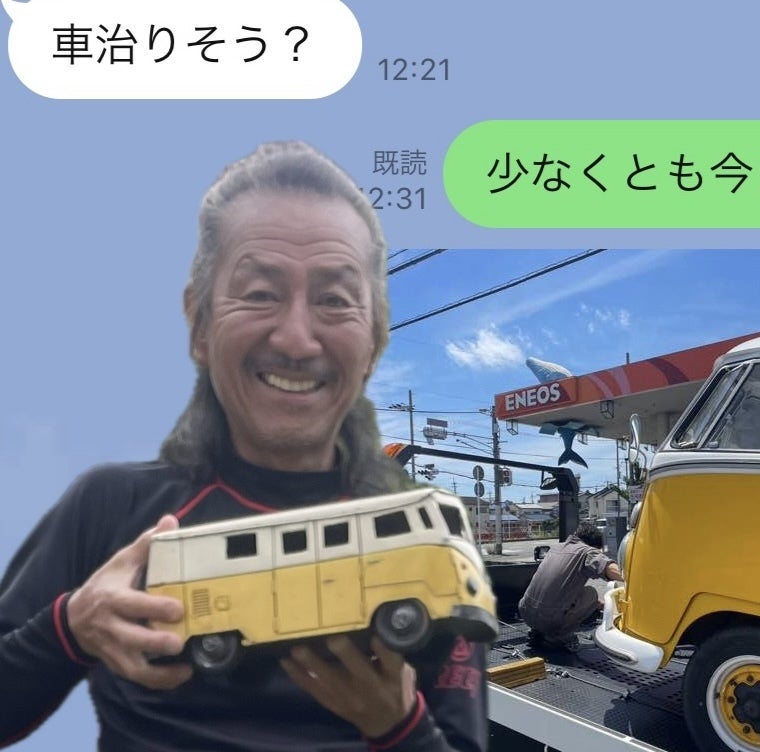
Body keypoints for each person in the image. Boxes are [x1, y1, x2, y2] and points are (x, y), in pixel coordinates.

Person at [0, 142, 488, 752]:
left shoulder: (428, 526)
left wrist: (400, 727)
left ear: (372, 342)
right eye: (259, 293)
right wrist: (67, 630)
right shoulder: (107, 504)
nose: (296, 339)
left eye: (335, 300)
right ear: (200, 324)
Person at [518, 521, 623, 651]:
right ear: (594, 545)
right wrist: (635, 576)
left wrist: (596, 604)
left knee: (581, 593)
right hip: (549, 620)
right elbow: (609, 568)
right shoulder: (587, 551)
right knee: (591, 593)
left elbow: (559, 588)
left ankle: (538, 632)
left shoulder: (556, 548)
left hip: (525, 612)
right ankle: (557, 637)